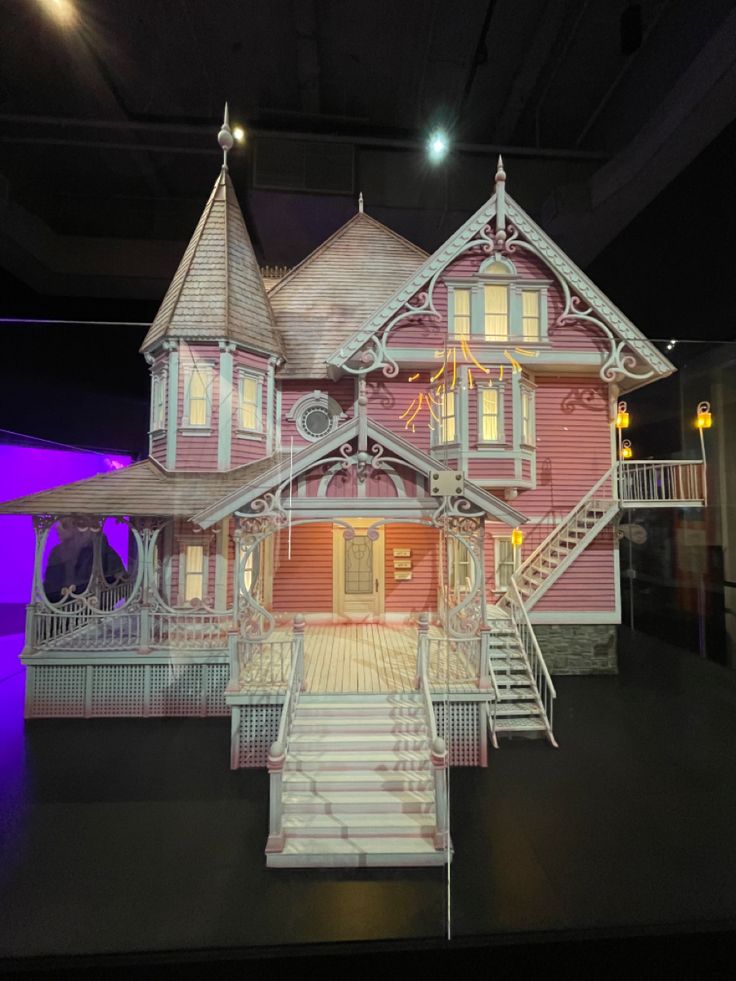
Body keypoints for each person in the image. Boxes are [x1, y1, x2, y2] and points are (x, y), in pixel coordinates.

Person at [43, 519, 125, 603]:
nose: (57, 528)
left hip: (94, 609)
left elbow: (120, 584)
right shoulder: (57, 553)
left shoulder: (102, 550)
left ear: (79, 527)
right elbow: (50, 588)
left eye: (64, 525)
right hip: (62, 610)